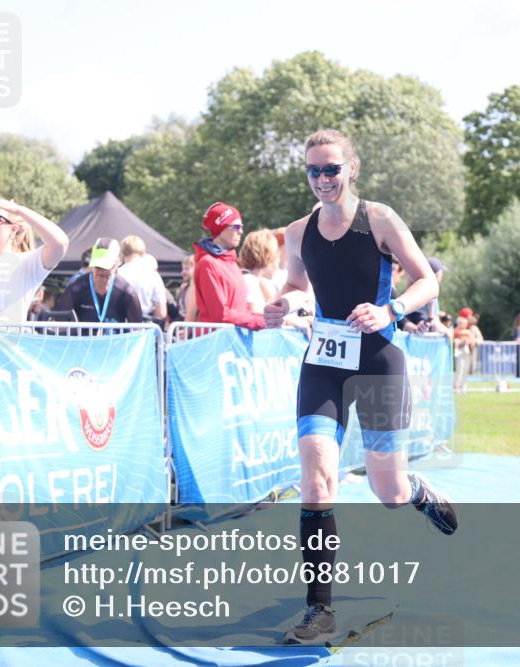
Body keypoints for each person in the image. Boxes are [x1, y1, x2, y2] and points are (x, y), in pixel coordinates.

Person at [263, 128, 457, 644]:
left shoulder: (380, 219)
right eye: (313, 170)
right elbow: (298, 286)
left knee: (386, 492)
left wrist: (389, 309)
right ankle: (319, 610)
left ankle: (415, 491)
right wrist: (283, 303)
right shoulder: (297, 232)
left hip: (377, 359)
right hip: (324, 361)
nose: (322, 179)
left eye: (331, 169)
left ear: (352, 168)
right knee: (317, 480)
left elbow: (427, 281)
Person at [192, 202, 266, 330]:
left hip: (230, 339)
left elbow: (241, 309)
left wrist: (268, 318)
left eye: (241, 227)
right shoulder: (207, 263)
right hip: (214, 342)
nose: (241, 231)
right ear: (220, 229)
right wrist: (261, 322)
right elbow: (221, 315)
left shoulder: (232, 262)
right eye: (236, 227)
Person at [57, 237, 142, 325]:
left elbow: (138, 330)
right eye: (98, 266)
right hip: (83, 338)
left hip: (115, 338)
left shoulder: (126, 292)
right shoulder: (76, 289)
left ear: (117, 263)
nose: (102, 271)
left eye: (106, 266)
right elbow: (60, 324)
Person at [117, 235, 167, 322]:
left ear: (123, 253)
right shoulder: (153, 275)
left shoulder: (117, 274)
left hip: (121, 326)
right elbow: (161, 312)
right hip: (145, 327)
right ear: (143, 253)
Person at [238, 229, 280, 314]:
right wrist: (289, 320)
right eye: (276, 252)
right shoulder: (249, 280)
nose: (278, 258)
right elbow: (254, 313)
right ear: (268, 254)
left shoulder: (251, 279)